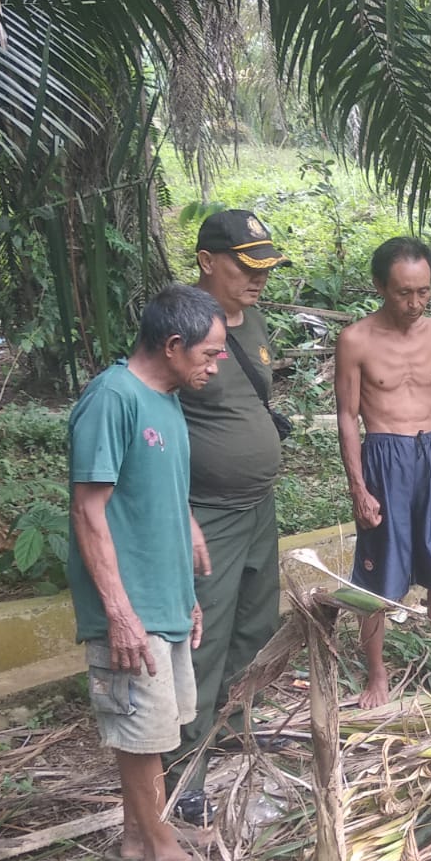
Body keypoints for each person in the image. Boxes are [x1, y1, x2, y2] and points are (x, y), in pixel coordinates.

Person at [67, 284, 227, 861]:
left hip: (163, 598)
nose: (216, 365)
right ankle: (159, 851)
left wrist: (185, 589)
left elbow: (162, 493)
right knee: (139, 729)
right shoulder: (112, 399)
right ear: (173, 344)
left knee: (157, 727)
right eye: (209, 354)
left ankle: (140, 837)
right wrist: (120, 613)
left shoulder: (167, 400)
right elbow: (89, 510)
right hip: (129, 605)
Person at [166, 210, 292, 825]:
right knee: (203, 636)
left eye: (266, 264)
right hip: (206, 512)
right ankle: (184, 768)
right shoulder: (179, 326)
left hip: (256, 506)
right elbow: (154, 417)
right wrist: (178, 509)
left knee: (254, 624)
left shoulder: (255, 319)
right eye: (247, 266)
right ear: (206, 261)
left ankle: (234, 724)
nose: (259, 277)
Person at [334, 237, 431, 709]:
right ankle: (377, 676)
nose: (414, 303)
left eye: (424, 292)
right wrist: (358, 487)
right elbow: (347, 417)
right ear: (379, 287)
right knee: (379, 578)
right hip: (384, 457)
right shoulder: (356, 340)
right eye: (403, 293)